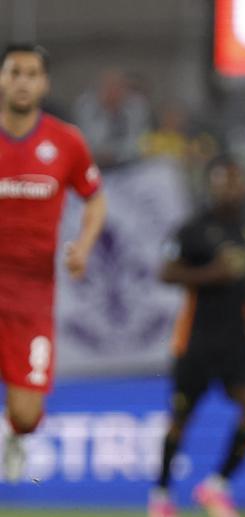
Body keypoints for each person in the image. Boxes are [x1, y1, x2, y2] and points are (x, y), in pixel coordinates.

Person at [0, 43, 107, 483]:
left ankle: (16, 433)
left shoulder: (65, 141)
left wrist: (83, 246)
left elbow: (94, 199)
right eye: (14, 72)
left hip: (32, 294)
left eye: (31, 74)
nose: (22, 82)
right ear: (2, 79)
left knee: (27, 413)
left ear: (43, 83)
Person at [150, 155, 245, 517]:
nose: (230, 188)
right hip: (197, 338)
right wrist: (211, 274)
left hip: (238, 337)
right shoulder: (193, 229)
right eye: (223, 182)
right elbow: (166, 272)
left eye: (235, 181)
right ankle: (162, 493)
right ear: (211, 185)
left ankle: (216, 486)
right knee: (181, 418)